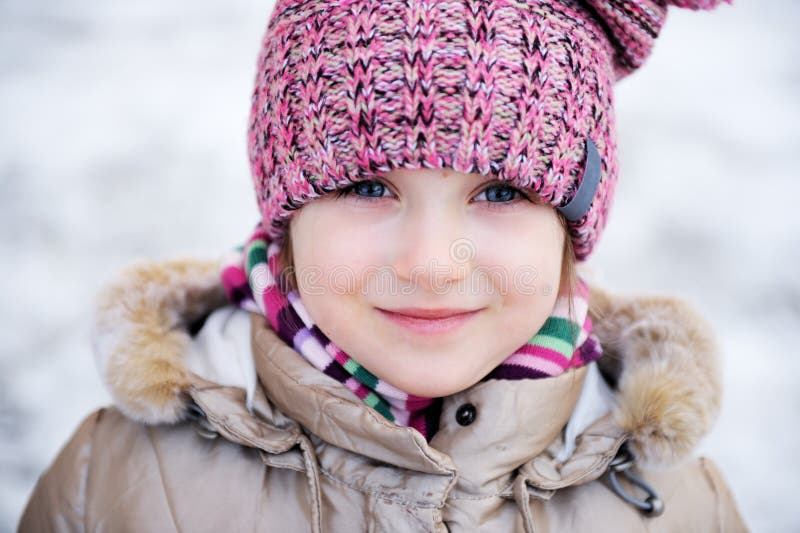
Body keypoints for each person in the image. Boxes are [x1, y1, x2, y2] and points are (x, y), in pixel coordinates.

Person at [19, 0, 748, 531]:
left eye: (499, 191)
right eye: (368, 187)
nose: (431, 262)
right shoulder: (111, 484)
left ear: (570, 224)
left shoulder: (679, 506)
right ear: (287, 215)